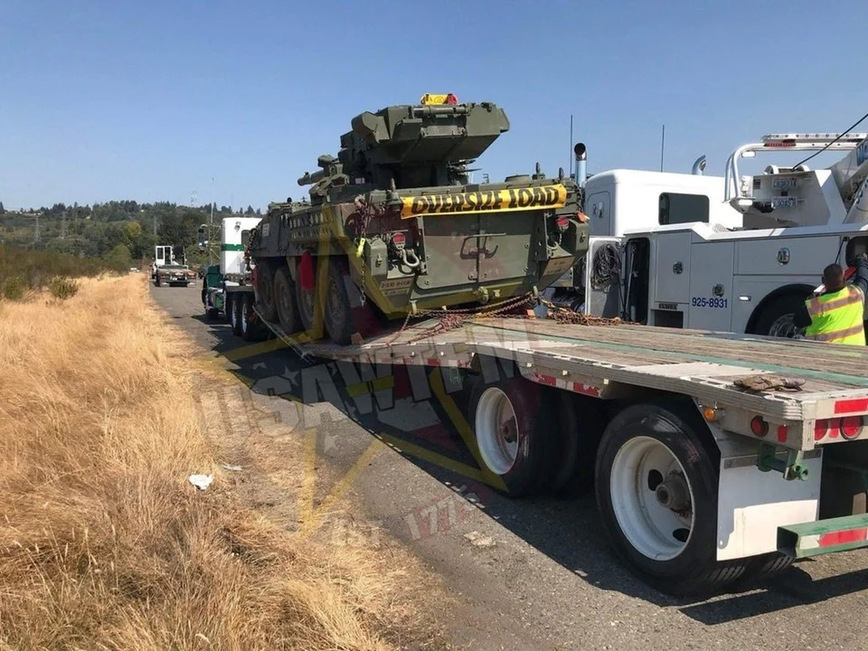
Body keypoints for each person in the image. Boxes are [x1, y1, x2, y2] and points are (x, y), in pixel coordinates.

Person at [793, 254, 868, 345]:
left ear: (823, 280)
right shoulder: (856, 294)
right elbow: (863, 278)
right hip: (856, 353)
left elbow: (797, 322)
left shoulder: (814, 306)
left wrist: (813, 297)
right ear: (844, 279)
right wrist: (861, 261)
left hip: (824, 354)